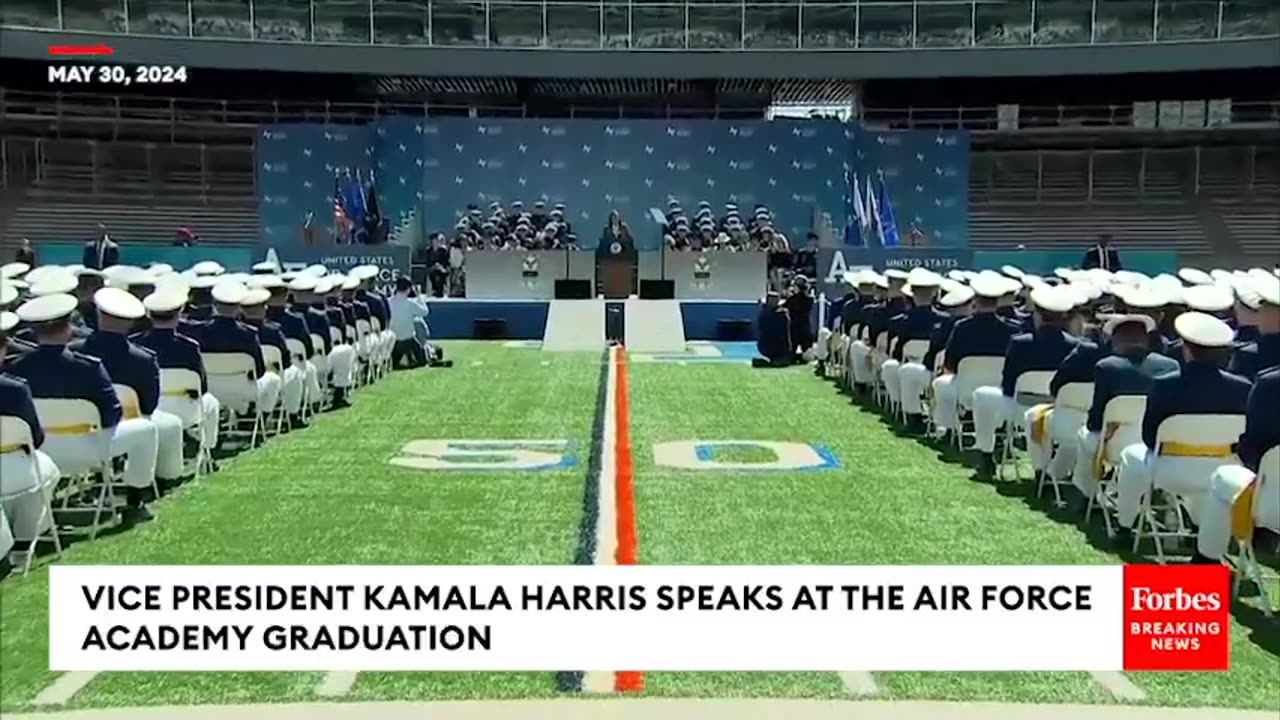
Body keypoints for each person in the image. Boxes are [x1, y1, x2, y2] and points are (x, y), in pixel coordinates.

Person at [6, 293, 157, 525]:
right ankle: (136, 501)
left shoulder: (16, 368)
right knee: (146, 430)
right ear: (69, 328)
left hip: (37, 454)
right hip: (86, 450)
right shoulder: (88, 368)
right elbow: (111, 417)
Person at [1113, 312, 1252, 535]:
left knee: (1131, 455)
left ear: (1186, 348)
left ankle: (1125, 526)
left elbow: (1150, 437)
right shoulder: (1243, 388)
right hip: (1222, 470)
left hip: (1169, 470)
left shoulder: (1165, 385)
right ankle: (1198, 527)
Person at [71, 287, 187, 492]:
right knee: (168, 424)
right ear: (131, 322)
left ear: (98, 313)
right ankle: (145, 492)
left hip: (71, 433)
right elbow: (149, 406)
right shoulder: (143, 359)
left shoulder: (74, 353)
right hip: (119, 429)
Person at [1066, 314, 1180, 504]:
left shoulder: (1106, 367)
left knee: (1084, 436)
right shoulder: (1170, 366)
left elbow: (1096, 422)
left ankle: (1086, 493)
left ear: (1116, 340)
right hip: (1158, 445)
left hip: (1114, 441)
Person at [971, 285, 1079, 477]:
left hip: (1021, 409)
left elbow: (1008, 383)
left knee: (981, 396)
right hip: (1058, 411)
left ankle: (985, 455)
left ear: (1036, 315)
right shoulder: (1075, 346)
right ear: (1063, 317)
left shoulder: (1020, 343)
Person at [1193, 366, 1279, 564]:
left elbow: (1252, 447)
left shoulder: (1270, 384)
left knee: (1223, 476)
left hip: (1272, 504)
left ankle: (1206, 562)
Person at [133, 289, 221, 456]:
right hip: (185, 411)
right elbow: (202, 386)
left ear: (149, 315)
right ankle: (208, 450)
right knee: (212, 403)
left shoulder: (135, 344)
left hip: (146, 410)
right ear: (179, 314)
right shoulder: (189, 347)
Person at [0, 321, 61, 560]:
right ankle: (28, 538)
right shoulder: (15, 390)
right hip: (16, 469)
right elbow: (35, 437)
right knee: (47, 470)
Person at [930, 274, 1016, 439]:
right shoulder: (1011, 330)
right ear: (998, 302)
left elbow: (950, 364)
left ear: (975, 300)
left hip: (964, 389)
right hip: (999, 390)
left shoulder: (961, 328)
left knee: (940, 384)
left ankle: (948, 429)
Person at [188, 281, 282, 418]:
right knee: (273, 379)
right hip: (243, 390)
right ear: (239, 307)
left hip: (209, 389)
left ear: (214, 305)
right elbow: (260, 371)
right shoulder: (248, 334)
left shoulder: (198, 331)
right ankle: (261, 416)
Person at [880, 268, 945, 433]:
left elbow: (895, 353)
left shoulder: (899, 322)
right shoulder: (945, 321)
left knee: (892, 367)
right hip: (937, 372)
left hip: (912, 369)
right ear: (934, 294)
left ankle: (910, 413)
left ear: (912, 294)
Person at [240, 286, 301, 424]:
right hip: (262, 379)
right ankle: (292, 415)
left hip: (235, 383)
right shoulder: (273, 331)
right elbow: (286, 362)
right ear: (264, 308)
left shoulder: (237, 334)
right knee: (294, 373)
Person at [389, 276, 430, 369]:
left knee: (393, 363)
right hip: (408, 341)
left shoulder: (388, 302)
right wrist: (420, 298)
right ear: (408, 289)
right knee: (422, 361)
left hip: (393, 341)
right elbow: (425, 312)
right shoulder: (411, 303)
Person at [753, 292, 793, 368]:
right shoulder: (783, 314)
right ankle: (776, 360)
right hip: (780, 347)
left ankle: (773, 360)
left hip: (764, 347)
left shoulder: (763, 313)